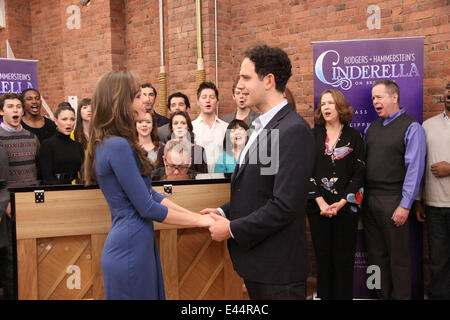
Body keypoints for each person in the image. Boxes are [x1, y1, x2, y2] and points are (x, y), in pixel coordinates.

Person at [83, 70, 213, 300]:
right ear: (119, 102)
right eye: (136, 96)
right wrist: (200, 221)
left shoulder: (111, 143)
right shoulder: (117, 146)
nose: (144, 100)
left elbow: (150, 194)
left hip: (136, 243)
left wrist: (194, 216)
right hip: (130, 247)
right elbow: (146, 207)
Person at [201, 45, 315, 300]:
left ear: (269, 81)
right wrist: (223, 211)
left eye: (246, 77)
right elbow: (257, 190)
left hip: (278, 270)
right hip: (259, 266)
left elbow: (285, 205)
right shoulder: (260, 126)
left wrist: (232, 229)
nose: (240, 85)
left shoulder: (292, 130)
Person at [363, 79, 426, 300]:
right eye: (372, 98)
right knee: (376, 259)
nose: (374, 101)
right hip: (370, 201)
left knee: (398, 260)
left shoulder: (412, 127)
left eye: (379, 97)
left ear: (394, 97)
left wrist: (405, 205)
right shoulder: (371, 128)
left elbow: (414, 169)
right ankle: (381, 296)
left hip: (394, 201)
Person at [307, 89, 365, 300]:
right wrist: (321, 203)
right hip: (317, 209)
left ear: (340, 107)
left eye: (331, 103)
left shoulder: (354, 137)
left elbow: (359, 174)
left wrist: (341, 203)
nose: (326, 107)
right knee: (323, 260)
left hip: (345, 209)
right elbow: (305, 172)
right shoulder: (312, 136)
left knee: (343, 261)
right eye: (323, 104)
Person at [0, 92, 40, 300]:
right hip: (7, 207)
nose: (15, 110)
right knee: (10, 261)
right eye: (10, 107)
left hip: (31, 203)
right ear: (1, 111)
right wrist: (5, 203)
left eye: (17, 106)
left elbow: (36, 171)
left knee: (31, 255)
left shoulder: (31, 138)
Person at [415, 82, 450, 300]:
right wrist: (419, 199)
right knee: (438, 261)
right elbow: (419, 166)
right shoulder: (427, 126)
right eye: (448, 88)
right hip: (434, 207)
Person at [39, 102, 84, 185]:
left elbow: (83, 173)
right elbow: (46, 176)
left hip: (77, 191)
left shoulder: (78, 146)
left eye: (72, 119)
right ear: (55, 121)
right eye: (64, 119)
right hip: (55, 192)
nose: (69, 123)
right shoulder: (47, 145)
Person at [192, 82, 229, 173]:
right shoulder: (191, 128)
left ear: (217, 102)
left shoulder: (226, 127)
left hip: (222, 178)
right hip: (198, 178)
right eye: (204, 97)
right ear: (198, 101)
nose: (208, 100)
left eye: (212, 97)